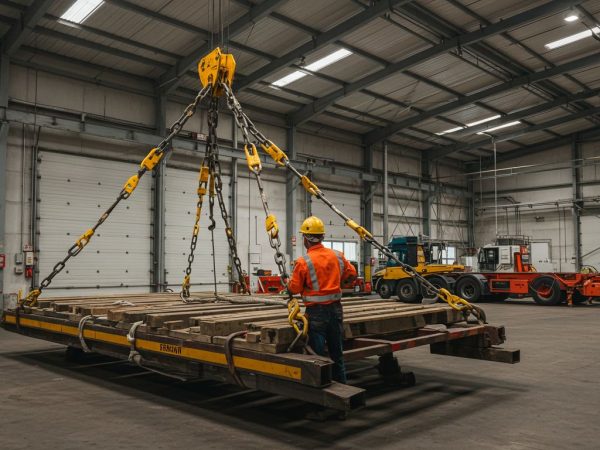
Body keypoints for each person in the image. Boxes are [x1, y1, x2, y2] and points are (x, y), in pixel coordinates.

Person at [287, 216, 357, 384]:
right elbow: (352, 274)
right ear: (322, 237)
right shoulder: (337, 256)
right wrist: (339, 282)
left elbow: (294, 288)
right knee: (337, 353)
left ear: (306, 239)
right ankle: (342, 386)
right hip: (336, 310)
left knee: (317, 356)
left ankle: (321, 389)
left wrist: (288, 285)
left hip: (316, 313)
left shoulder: (303, 262)